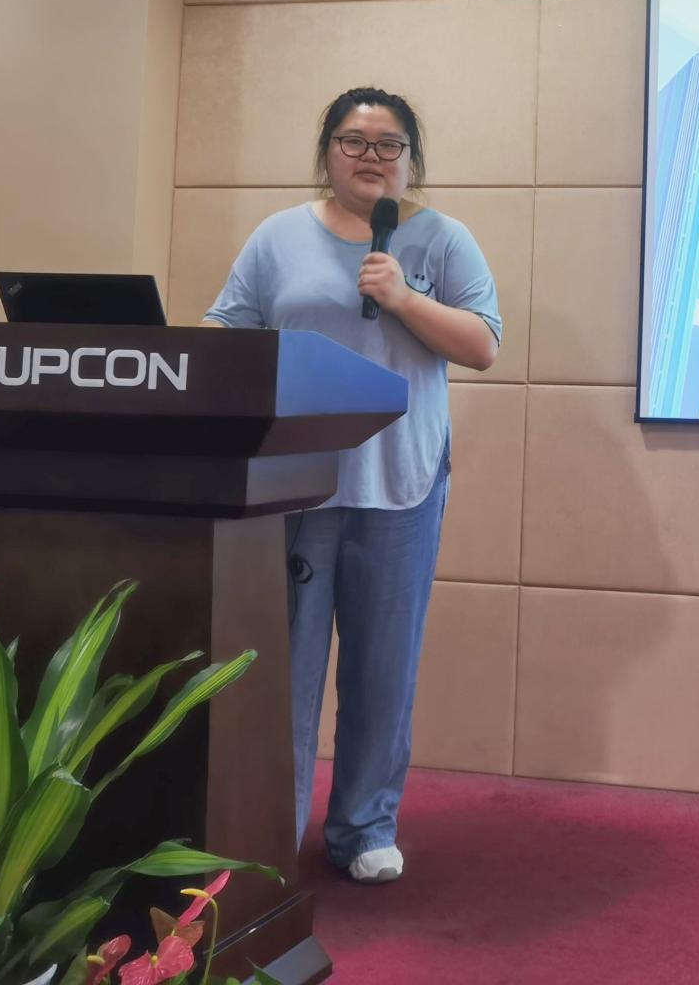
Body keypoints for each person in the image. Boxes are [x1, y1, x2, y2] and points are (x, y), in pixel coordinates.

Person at [203, 86, 500, 883]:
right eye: (353, 141)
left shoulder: (442, 239)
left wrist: (402, 297)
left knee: (382, 670)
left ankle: (365, 827)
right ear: (327, 151)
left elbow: (483, 344)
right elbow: (227, 329)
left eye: (388, 144)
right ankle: (271, 827)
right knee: (283, 672)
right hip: (294, 482)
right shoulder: (278, 236)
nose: (371, 156)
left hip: (401, 482)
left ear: (411, 158)